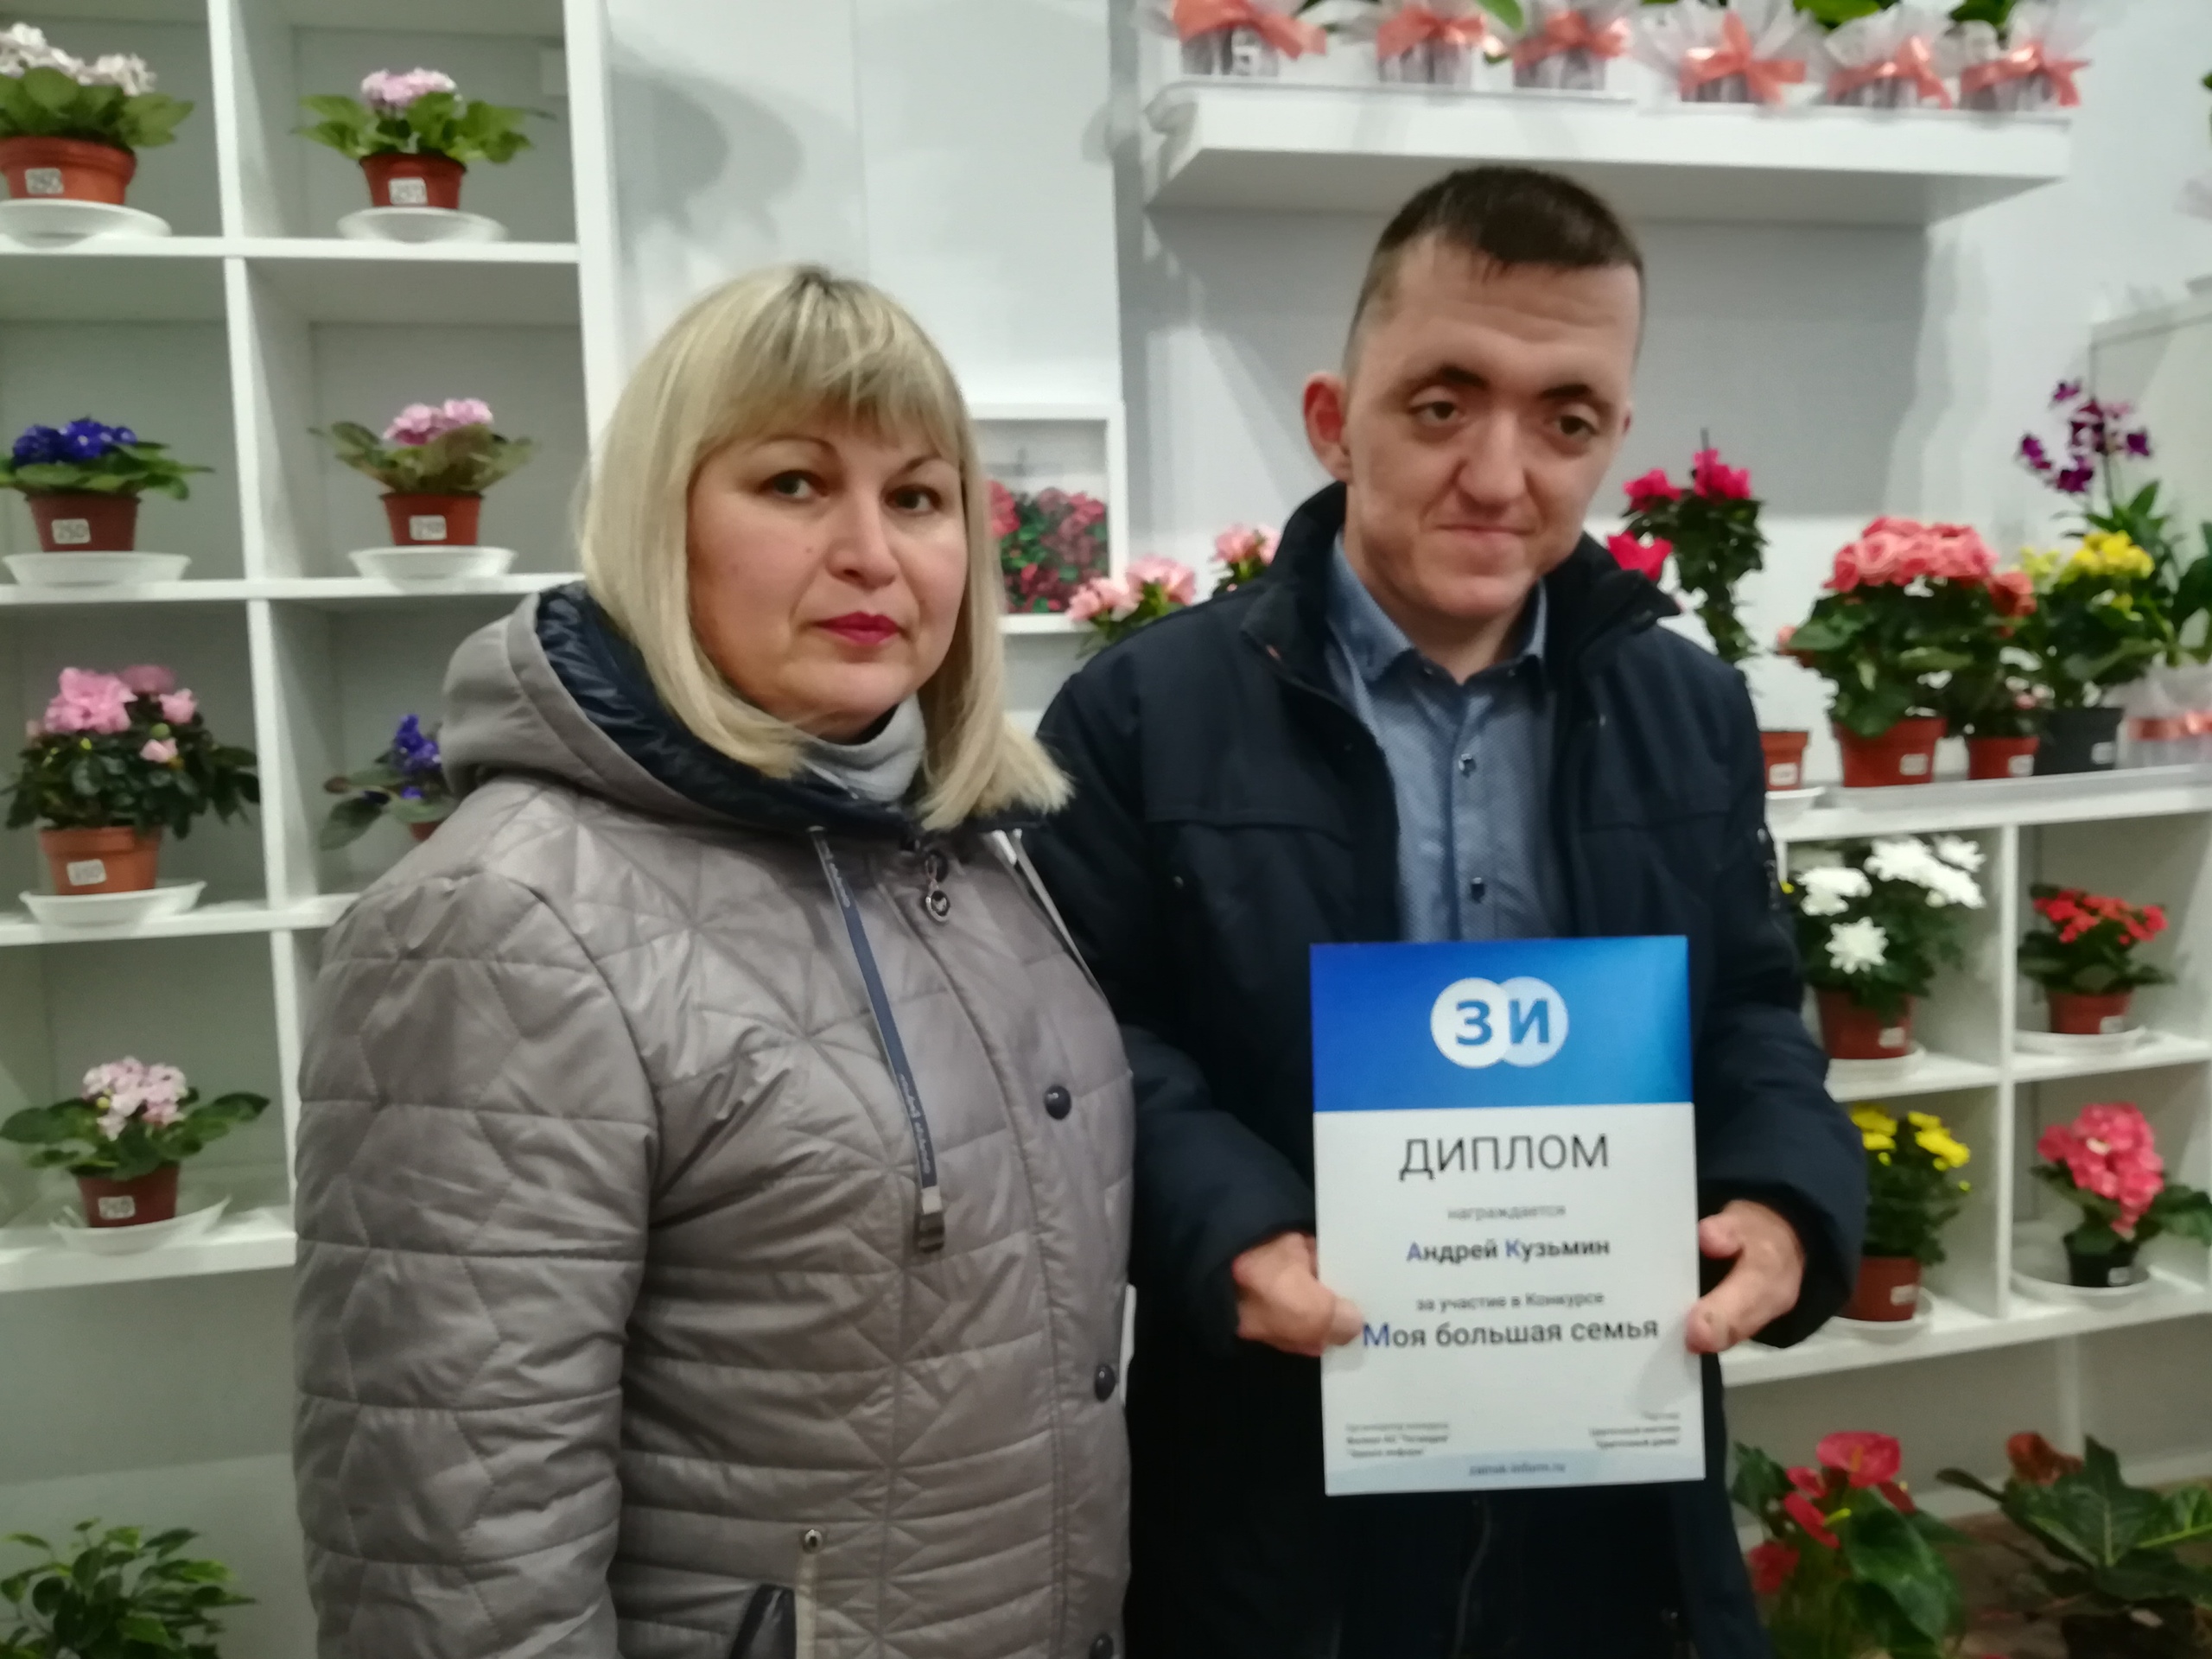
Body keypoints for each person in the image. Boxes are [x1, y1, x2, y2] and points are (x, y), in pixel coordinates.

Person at [1028, 166, 1865, 1658]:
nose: (1499, 473)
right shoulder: (1143, 712)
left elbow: (1748, 1004)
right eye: (1440, 403)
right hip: (1280, 1457)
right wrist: (1232, 1230)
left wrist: (1789, 1198)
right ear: (1332, 418)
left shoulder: (1688, 709)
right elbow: (1091, 1041)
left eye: (1566, 420)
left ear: (1613, 437)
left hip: (1615, 1455)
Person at [291, 266, 1134, 1659]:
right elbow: (458, 1550)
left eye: (918, 497)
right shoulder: (503, 921)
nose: (872, 552)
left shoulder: (961, 855)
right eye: (795, 483)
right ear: (659, 522)